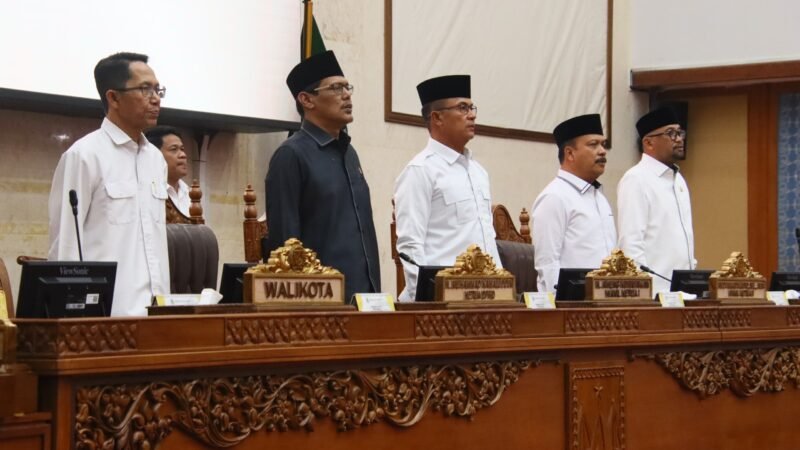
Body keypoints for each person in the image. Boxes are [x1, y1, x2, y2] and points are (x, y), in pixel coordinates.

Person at [48, 52, 170, 316]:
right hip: (108, 315)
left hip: (157, 313)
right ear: (113, 98)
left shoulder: (156, 159)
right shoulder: (84, 156)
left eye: (158, 89)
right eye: (145, 89)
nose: (155, 98)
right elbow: (65, 246)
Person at [264, 50, 380, 300]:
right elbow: (285, 246)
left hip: (366, 298)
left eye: (347, 87)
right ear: (307, 100)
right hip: (319, 300)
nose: (347, 95)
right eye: (336, 88)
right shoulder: (290, 155)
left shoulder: (350, 153)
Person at [394, 75, 502, 301]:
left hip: (485, 296)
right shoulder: (420, 170)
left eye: (472, 107)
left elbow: (487, 239)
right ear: (437, 118)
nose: (472, 115)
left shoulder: (479, 172)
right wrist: (427, 300)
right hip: (442, 301)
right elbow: (410, 246)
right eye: (462, 108)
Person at [531, 114, 617, 293]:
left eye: (603, 144)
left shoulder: (599, 197)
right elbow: (548, 263)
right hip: (573, 304)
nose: (602, 151)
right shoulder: (554, 197)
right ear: (570, 153)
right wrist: (561, 304)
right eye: (593, 144)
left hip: (606, 298)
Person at [617, 107, 696, 295]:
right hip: (655, 294)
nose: (679, 139)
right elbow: (631, 243)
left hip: (683, 291)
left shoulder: (678, 179)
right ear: (649, 142)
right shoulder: (636, 179)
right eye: (671, 133)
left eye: (680, 132)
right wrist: (644, 292)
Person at [145, 126, 190, 216]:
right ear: (155, 154)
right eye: (174, 149)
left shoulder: (190, 193)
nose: (183, 155)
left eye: (182, 149)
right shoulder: (147, 192)